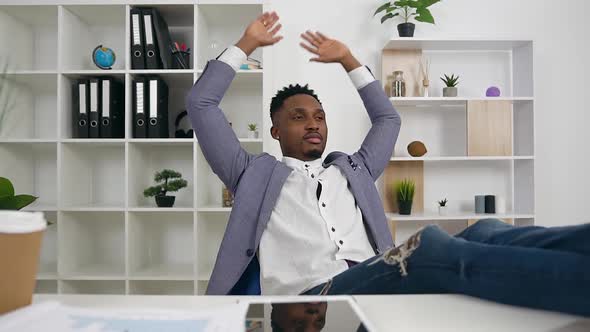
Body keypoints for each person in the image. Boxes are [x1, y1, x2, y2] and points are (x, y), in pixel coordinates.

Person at [187, 12, 590, 317]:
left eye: (319, 116)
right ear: (274, 131)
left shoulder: (353, 169)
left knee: (485, 229)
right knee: (427, 249)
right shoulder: (251, 173)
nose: (313, 122)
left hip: (370, 278)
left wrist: (348, 59)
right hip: (316, 299)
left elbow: (388, 119)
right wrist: (246, 43)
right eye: (298, 117)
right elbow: (201, 105)